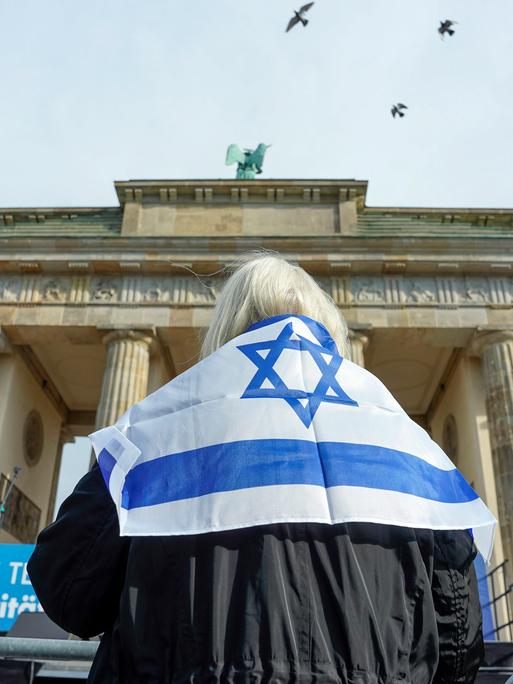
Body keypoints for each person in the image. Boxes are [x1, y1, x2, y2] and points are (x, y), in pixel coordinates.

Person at [28, 254, 485, 684]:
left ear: (227, 328)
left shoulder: (152, 435)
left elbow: (66, 592)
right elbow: (458, 644)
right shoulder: (415, 453)